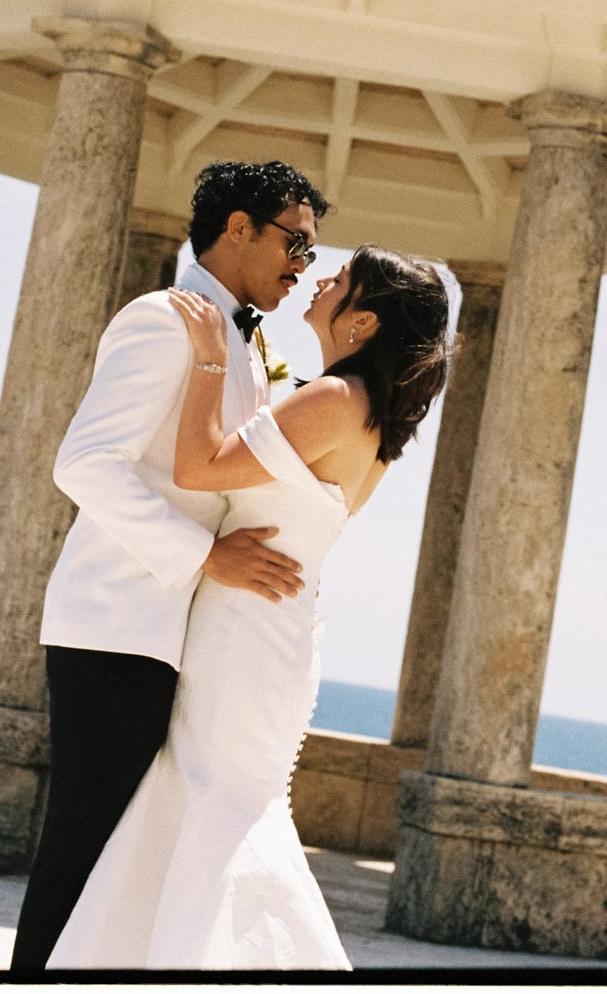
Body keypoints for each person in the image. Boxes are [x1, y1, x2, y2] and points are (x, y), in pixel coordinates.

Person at [47, 243, 453, 970]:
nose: (320, 277)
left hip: (243, 630)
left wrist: (210, 361)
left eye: (342, 279)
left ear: (363, 320)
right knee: (218, 804)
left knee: (214, 805)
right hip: (272, 629)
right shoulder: (372, 416)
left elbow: (197, 466)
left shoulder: (334, 399)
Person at [8, 160, 330, 971]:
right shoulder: (163, 320)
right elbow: (84, 463)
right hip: (114, 624)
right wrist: (206, 558)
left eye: (313, 253)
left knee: (114, 867)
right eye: (295, 243)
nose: (303, 265)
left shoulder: (242, 341)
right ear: (238, 228)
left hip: (167, 638)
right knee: (83, 852)